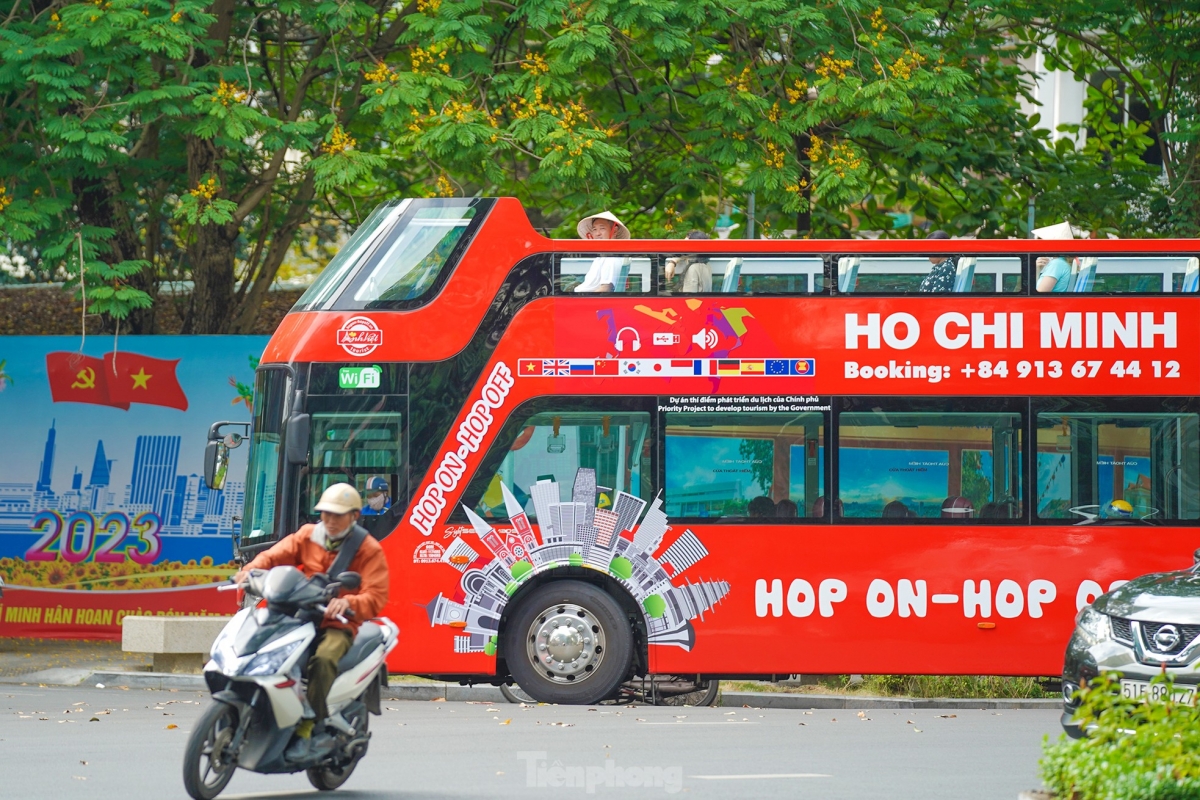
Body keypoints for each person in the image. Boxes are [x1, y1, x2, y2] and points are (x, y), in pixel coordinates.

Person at [235, 483, 389, 761]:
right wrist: (250, 571)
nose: (330, 521)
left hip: (339, 622)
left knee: (324, 659)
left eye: (338, 515)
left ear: (354, 516)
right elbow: (274, 555)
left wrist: (349, 602)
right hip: (300, 611)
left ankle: (309, 727)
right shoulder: (308, 535)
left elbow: (376, 596)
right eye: (326, 514)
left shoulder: (368, 549)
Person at [574, 211, 630, 292]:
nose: (597, 233)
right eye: (594, 229)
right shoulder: (604, 256)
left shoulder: (611, 258)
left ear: (614, 230)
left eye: (602, 228)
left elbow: (605, 289)